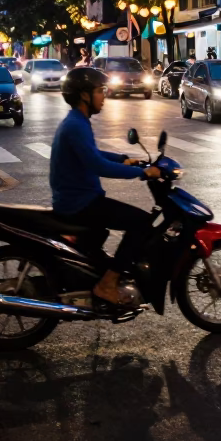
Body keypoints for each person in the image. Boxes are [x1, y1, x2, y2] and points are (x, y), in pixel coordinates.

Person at [50, 67, 161, 306]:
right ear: (84, 95)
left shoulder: (77, 121)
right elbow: (97, 165)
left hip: (76, 199)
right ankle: (107, 284)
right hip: (79, 203)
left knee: (100, 234)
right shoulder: (76, 125)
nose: (104, 96)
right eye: (100, 91)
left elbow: (93, 154)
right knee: (141, 223)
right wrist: (141, 172)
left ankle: (91, 274)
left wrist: (122, 158)